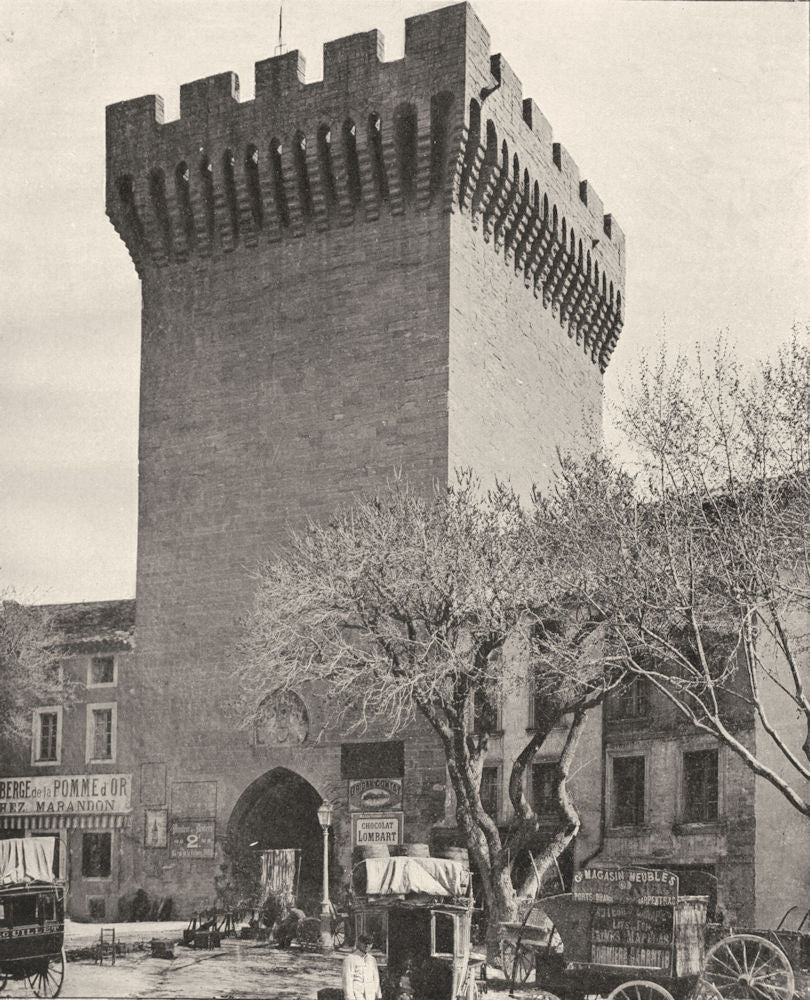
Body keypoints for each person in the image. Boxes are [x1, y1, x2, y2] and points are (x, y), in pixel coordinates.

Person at [342, 934, 382, 1000]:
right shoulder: (350, 959)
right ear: (359, 943)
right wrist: (350, 997)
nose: (367, 946)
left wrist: (378, 995)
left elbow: (376, 978)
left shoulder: (372, 959)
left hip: (370, 995)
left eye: (369, 943)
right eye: (365, 943)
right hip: (357, 995)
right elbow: (347, 981)